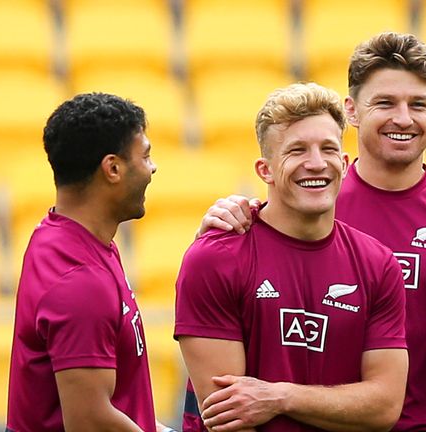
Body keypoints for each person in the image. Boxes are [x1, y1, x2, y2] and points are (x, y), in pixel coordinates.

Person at [196, 32, 426, 431]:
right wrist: (223, 223)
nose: (403, 119)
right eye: (385, 103)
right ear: (352, 110)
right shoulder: (311, 204)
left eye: (418, 105)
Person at [175, 82, 409, 432]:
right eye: (296, 150)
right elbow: (230, 417)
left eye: (328, 149)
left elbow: (384, 407)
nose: (316, 164)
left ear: (344, 164)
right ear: (264, 170)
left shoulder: (378, 265)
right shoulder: (215, 258)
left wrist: (280, 396)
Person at [6, 93, 173, 431]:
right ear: (113, 168)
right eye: (146, 155)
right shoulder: (79, 280)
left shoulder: (65, 238)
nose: (152, 168)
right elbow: (91, 422)